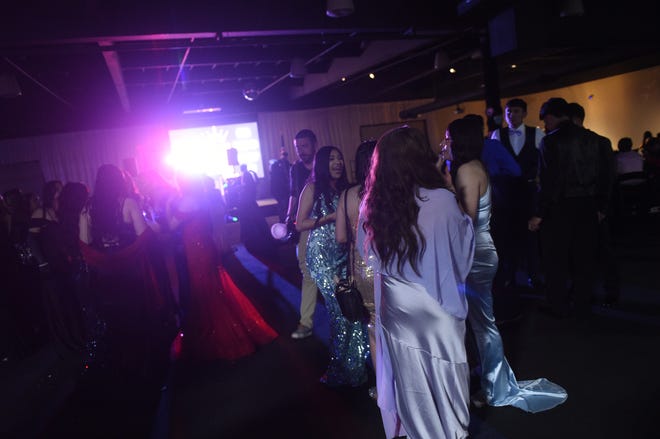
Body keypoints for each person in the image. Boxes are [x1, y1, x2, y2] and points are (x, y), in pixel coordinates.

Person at [358, 126, 475, 439]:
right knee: (447, 377)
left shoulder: (372, 205)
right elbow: (461, 255)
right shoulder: (441, 201)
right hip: (437, 304)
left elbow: (367, 255)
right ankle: (452, 431)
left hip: (397, 307)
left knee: (411, 384)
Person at [447, 117, 567, 412]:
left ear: (458, 141)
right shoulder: (473, 166)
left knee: (483, 324)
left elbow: (466, 220)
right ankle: (487, 376)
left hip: (474, 254)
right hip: (480, 250)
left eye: (447, 138)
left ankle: (494, 387)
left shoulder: (465, 169)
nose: (443, 144)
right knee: (478, 323)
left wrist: (445, 190)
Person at [79, 164, 177, 380]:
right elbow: (143, 238)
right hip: (129, 271)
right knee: (136, 316)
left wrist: (104, 256)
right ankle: (142, 366)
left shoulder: (87, 209)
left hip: (104, 274)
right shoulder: (128, 203)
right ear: (119, 181)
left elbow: (84, 244)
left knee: (114, 320)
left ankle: (122, 368)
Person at [167, 174, 277, 361]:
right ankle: (225, 328)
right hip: (204, 246)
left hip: (196, 250)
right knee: (213, 287)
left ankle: (221, 333)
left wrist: (169, 204)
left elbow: (171, 225)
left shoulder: (187, 200)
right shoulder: (201, 197)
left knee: (205, 290)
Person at [529, 98, 614, 320]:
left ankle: (558, 304)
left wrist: (539, 213)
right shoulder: (597, 140)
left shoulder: (550, 142)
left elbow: (549, 182)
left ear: (551, 116)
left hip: (560, 207)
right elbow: (607, 177)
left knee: (555, 260)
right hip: (588, 205)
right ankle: (582, 304)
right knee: (584, 259)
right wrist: (601, 207)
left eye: (545, 119)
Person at [296, 145, 369, 387]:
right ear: (322, 163)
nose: (337, 163)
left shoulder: (347, 189)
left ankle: (355, 367)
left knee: (353, 309)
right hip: (321, 256)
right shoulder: (313, 187)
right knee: (339, 311)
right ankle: (338, 369)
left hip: (343, 253)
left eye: (340, 159)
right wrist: (329, 218)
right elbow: (299, 223)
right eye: (332, 159)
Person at [335, 140, 377, 395]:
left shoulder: (348, 195)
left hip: (361, 268)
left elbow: (341, 237)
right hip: (388, 267)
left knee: (372, 328)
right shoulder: (389, 191)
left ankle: (383, 388)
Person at [490, 98, 545, 290]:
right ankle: (509, 275)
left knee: (530, 236)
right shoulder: (497, 134)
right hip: (506, 192)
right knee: (507, 236)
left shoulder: (536, 133)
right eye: (508, 112)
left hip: (529, 190)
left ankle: (534, 274)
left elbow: (542, 161)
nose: (512, 115)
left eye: (516, 111)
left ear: (524, 114)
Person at [286, 129, 318, 339]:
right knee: (306, 271)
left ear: (314, 144)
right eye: (298, 148)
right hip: (306, 225)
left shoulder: (324, 161)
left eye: (305, 146)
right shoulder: (295, 169)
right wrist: (289, 216)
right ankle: (306, 321)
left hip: (329, 223)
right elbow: (293, 195)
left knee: (336, 272)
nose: (301, 152)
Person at [269, 148, 291, 222]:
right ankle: (284, 221)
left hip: (281, 190)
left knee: (283, 206)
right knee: (284, 206)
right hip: (282, 190)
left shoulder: (279, 164)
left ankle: (284, 221)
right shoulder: (280, 164)